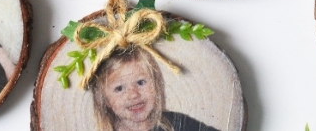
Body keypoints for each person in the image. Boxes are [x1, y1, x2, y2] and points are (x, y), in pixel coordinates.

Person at [91, 47, 220, 131]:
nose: (133, 94)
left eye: (141, 82)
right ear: (105, 99)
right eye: (119, 88)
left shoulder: (178, 124)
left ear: (157, 86)